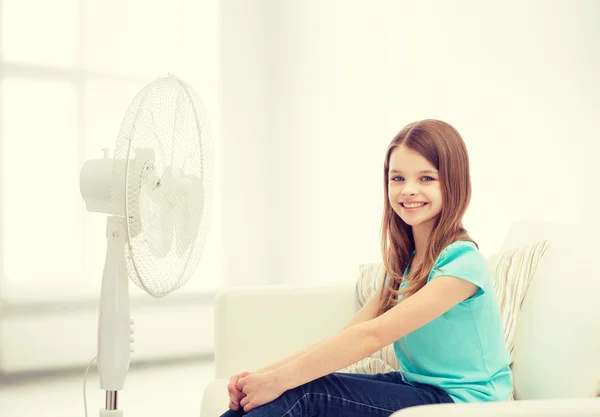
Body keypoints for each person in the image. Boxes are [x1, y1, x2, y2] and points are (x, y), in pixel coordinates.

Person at [220, 119, 513, 416]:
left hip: (465, 404)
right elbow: (348, 335)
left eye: (426, 178)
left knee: (306, 393)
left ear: (454, 182)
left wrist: (278, 380)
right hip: (418, 388)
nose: (409, 190)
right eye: (397, 178)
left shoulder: (462, 264)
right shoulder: (405, 264)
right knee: (286, 391)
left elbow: (370, 337)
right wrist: (259, 378)